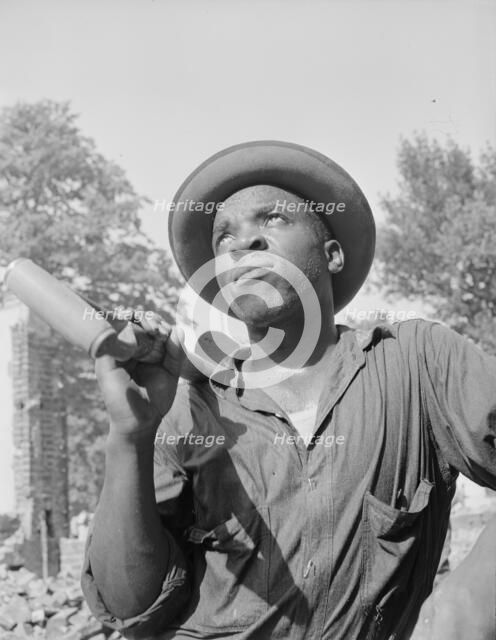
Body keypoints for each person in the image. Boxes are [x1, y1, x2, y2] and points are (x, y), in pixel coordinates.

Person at [81, 141, 496, 639]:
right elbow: (131, 609)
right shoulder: (188, 408)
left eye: (273, 219)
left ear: (332, 254)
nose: (243, 242)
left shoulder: (418, 362)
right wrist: (131, 434)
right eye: (223, 237)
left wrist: (466, 598)